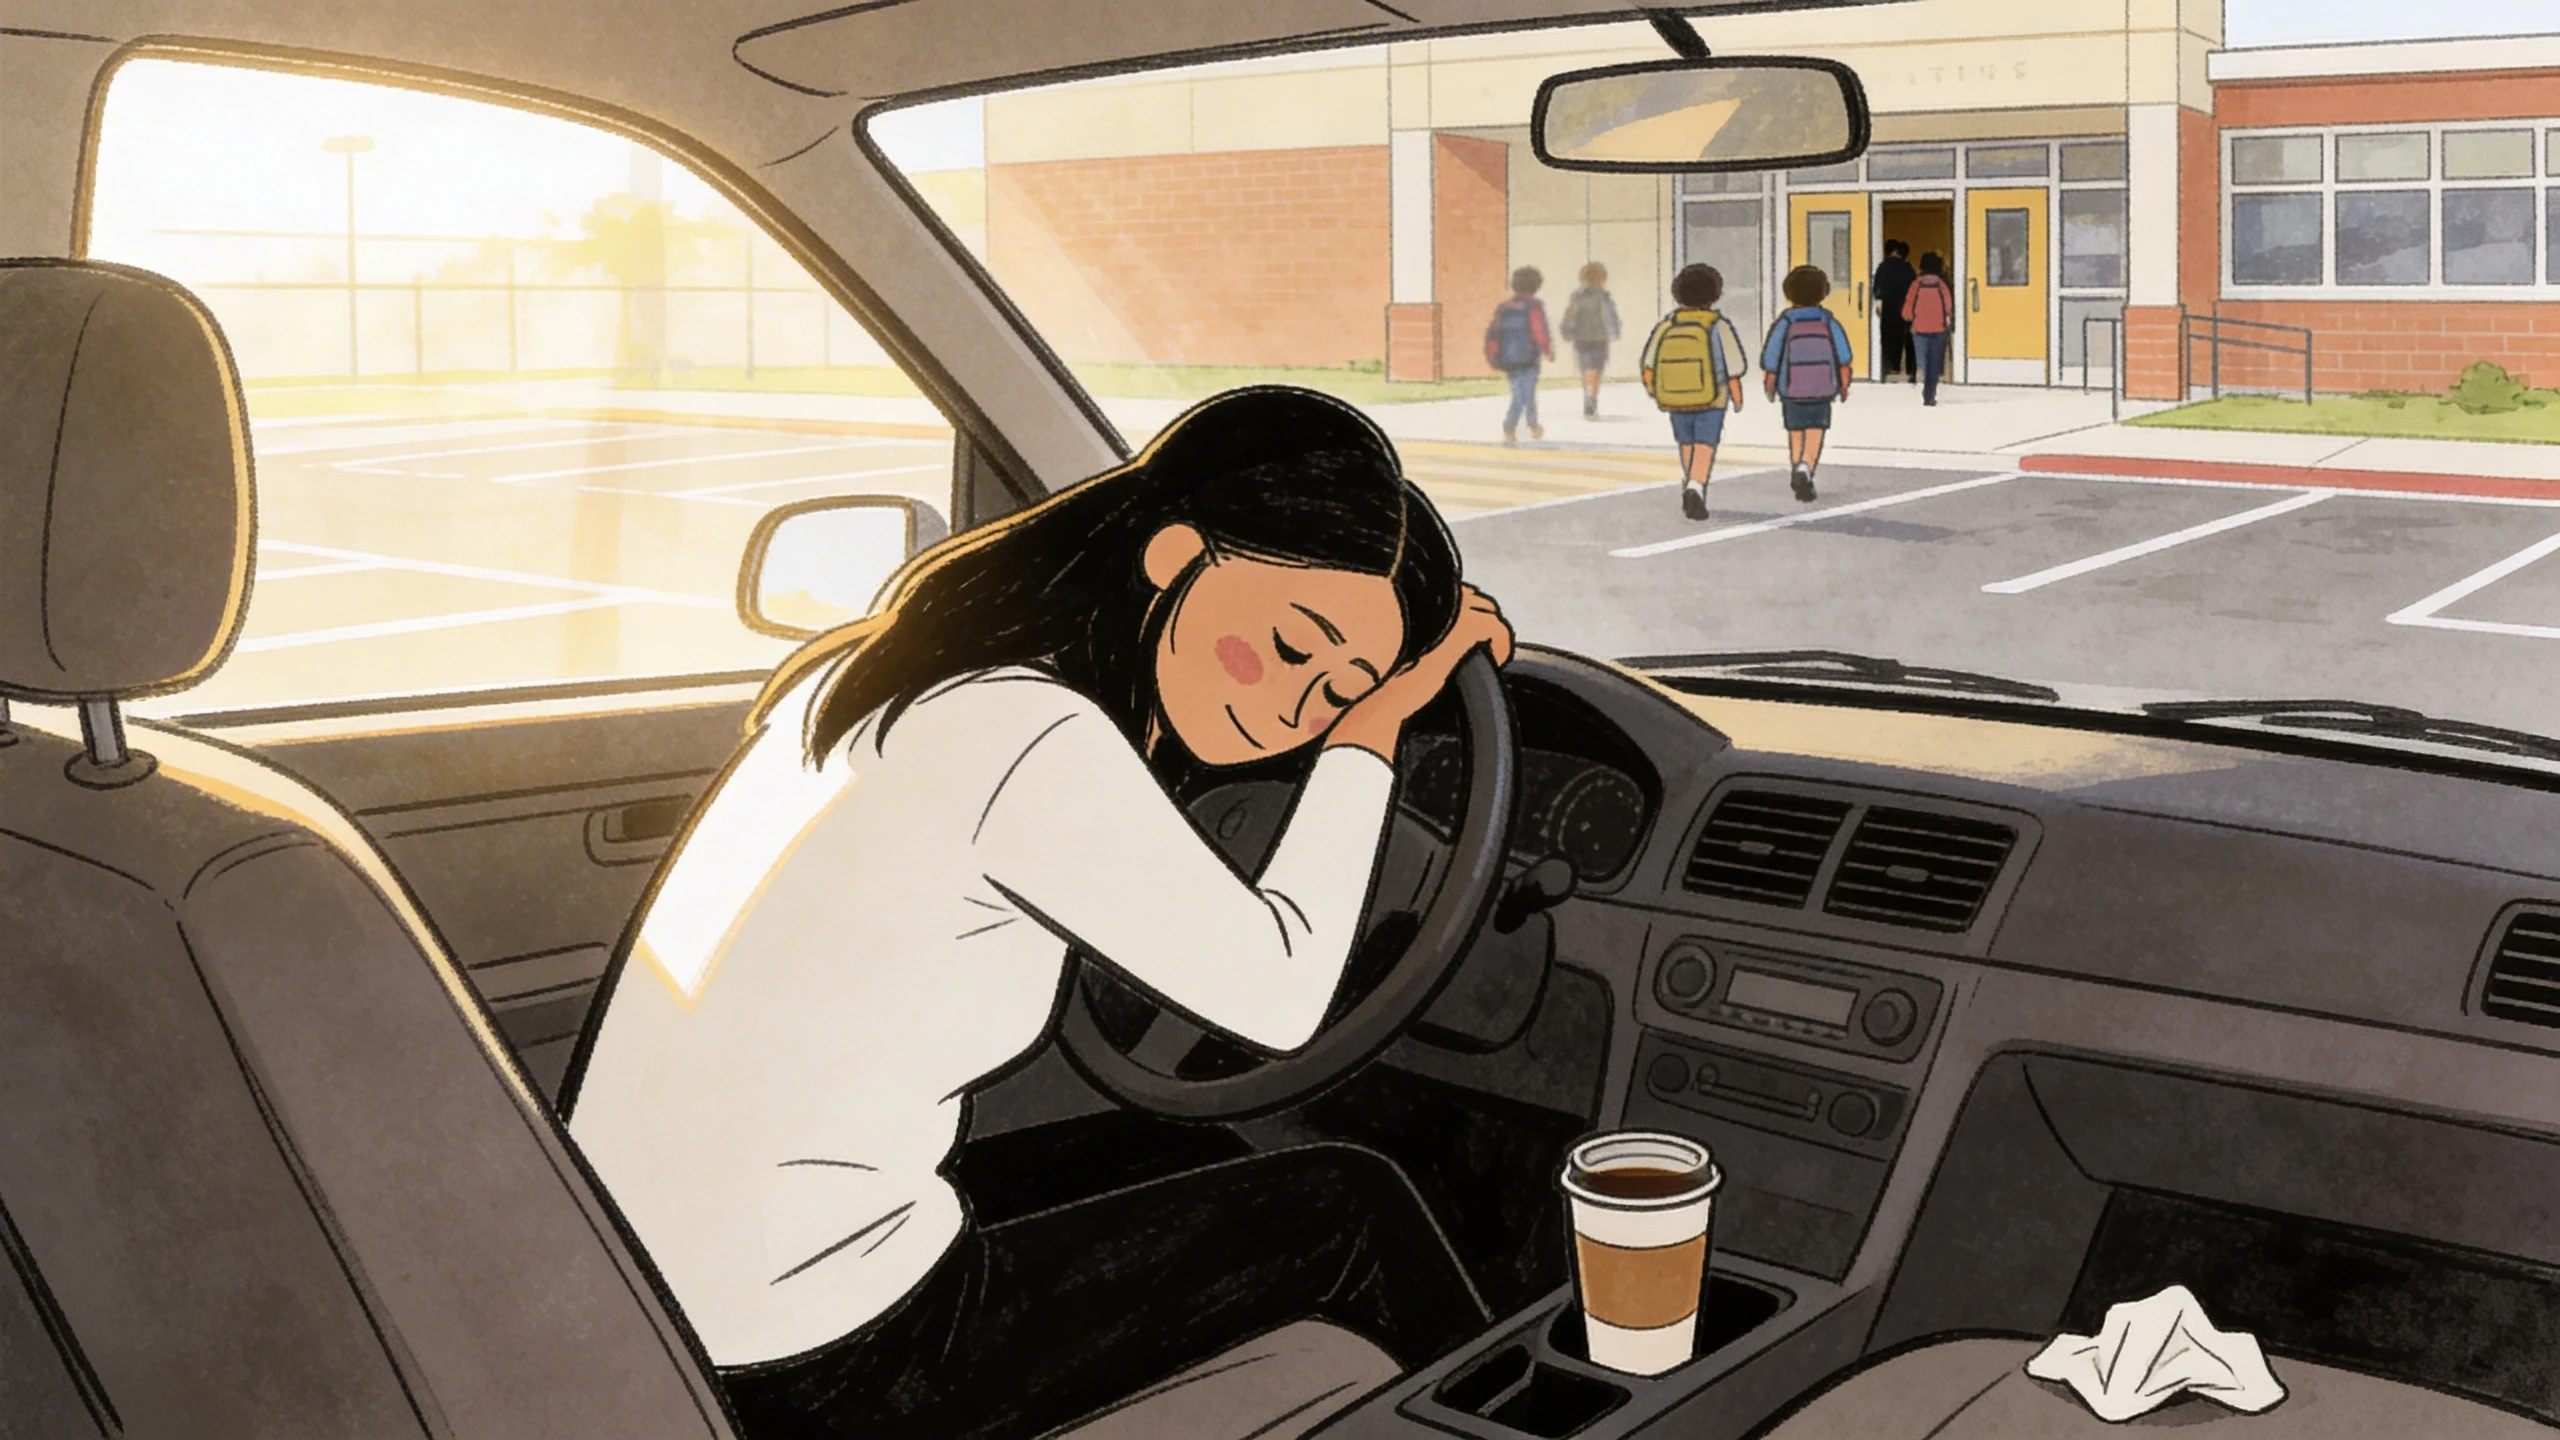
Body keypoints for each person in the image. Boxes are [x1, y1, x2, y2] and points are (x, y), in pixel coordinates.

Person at [564, 386, 1510, 1440]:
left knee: (1163, 1158)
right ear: (1172, 555)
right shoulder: (1028, 738)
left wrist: (1347, 705)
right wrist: (1370, 730)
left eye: (1340, 688)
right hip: (814, 1366)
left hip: (642, 1299)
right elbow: (1283, 992)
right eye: (1295, 649)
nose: (1300, 710)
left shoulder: (892, 679)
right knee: (1354, 1210)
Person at [1638, 262, 1747, 522]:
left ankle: (1690, 481)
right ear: (1715, 295)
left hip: (1675, 398)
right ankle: (1696, 485)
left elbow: (1648, 364)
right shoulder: (1718, 325)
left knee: (1686, 442)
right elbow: (1734, 366)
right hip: (1713, 397)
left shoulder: (1667, 325)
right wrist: (1737, 395)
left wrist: (1656, 391)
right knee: (1705, 444)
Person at [1761, 264, 1854, 503]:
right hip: (1822, 389)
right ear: (1824, 293)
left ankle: (1796, 468)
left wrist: (1770, 385)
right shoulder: (1828, 322)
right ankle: (1806, 469)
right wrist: (1843, 386)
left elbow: (1771, 358)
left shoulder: (1785, 322)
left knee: (1795, 432)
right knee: (1815, 432)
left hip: (1791, 389)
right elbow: (1844, 358)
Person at [1485, 265, 1554, 442]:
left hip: (1508, 359)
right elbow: (1539, 331)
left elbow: (1494, 332)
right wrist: (1547, 350)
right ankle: (1515, 425)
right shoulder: (1534, 306)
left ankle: (1530, 425)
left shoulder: (1504, 307)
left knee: (1520, 392)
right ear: (1536, 285)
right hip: (1529, 358)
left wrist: (1493, 357)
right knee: (1525, 394)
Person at [1559, 261, 1622, 418]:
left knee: (1585, 367)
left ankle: (1588, 395)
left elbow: (1570, 315)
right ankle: (1592, 397)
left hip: (1581, 337)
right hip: (1600, 338)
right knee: (1596, 368)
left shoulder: (1577, 296)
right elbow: (1609, 316)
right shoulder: (1604, 296)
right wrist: (1614, 332)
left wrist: (1566, 331)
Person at [1903, 250, 1956, 407]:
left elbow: (1908, 306)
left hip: (1920, 329)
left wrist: (1909, 319)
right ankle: (1930, 394)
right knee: (1934, 363)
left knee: (1923, 362)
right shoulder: (1941, 285)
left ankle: (1926, 390)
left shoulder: (1916, 284)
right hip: (1938, 328)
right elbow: (1948, 305)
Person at [1871, 239, 1916, 383]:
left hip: (1888, 307)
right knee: (1900, 337)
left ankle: (1888, 366)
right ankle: (1901, 366)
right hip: (1903, 307)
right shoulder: (1908, 268)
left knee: (1886, 337)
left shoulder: (1884, 266)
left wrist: (1878, 303)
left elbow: (1877, 288)